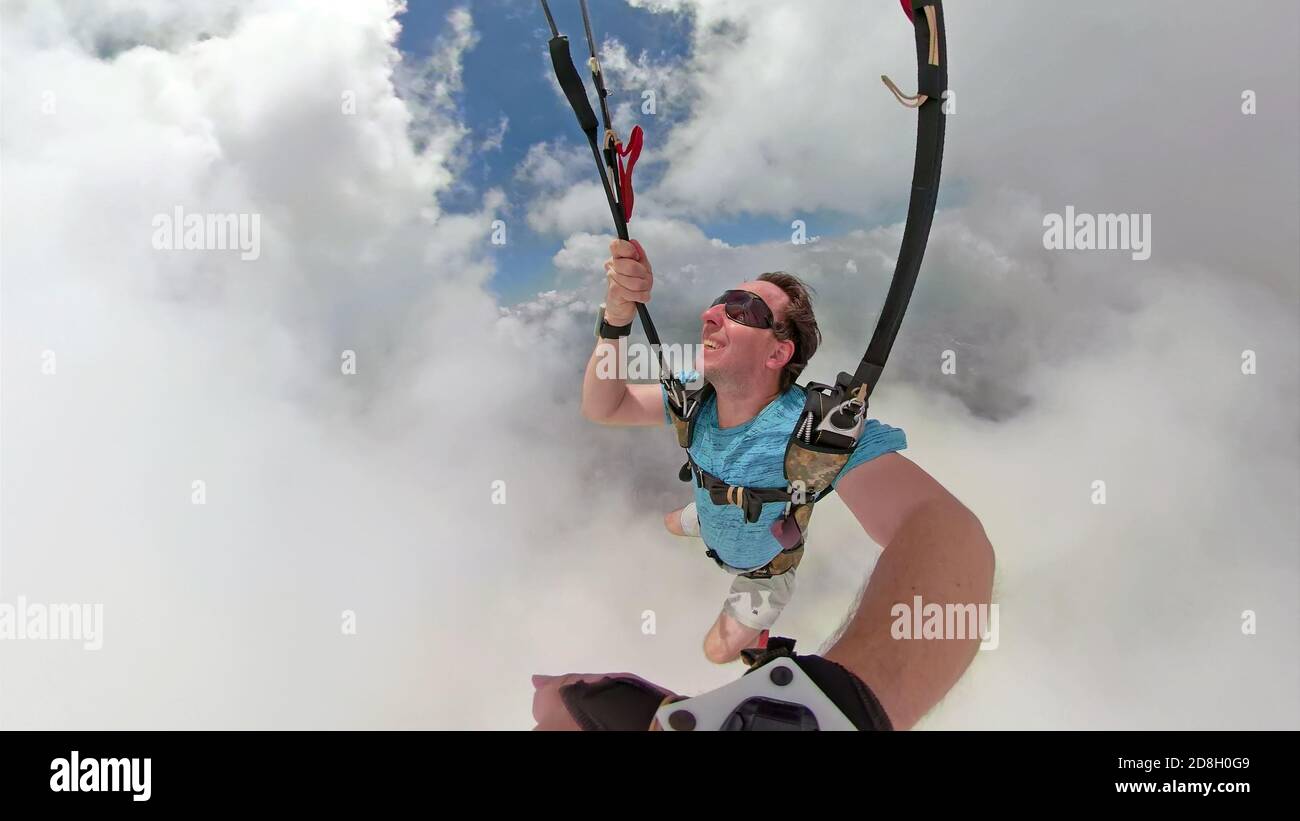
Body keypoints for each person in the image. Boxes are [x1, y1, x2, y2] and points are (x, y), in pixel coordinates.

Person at [578, 238, 993, 691]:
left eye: (743, 309)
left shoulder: (817, 433)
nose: (710, 315)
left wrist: (850, 702)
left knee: (717, 651)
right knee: (666, 522)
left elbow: (946, 531)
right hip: (716, 514)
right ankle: (703, 517)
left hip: (764, 564)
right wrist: (617, 318)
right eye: (720, 303)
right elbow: (606, 406)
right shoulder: (694, 401)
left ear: (778, 353)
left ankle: (756, 607)